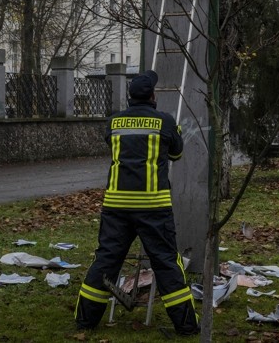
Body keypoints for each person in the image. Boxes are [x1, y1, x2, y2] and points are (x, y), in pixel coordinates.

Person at [75, 70, 198, 336]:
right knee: (165, 262)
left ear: (130, 97)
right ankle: (186, 325)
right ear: (153, 96)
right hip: (153, 206)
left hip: (116, 205)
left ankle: (85, 320)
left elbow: (113, 144)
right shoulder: (164, 122)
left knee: (106, 260)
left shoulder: (113, 122)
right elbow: (176, 153)